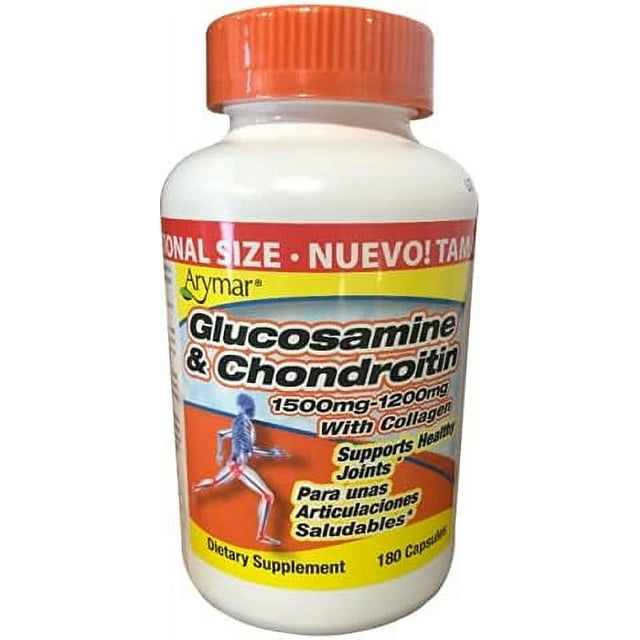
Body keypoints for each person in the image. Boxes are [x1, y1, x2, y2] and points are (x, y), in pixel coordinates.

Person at [193, 393, 289, 545]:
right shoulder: (246, 425)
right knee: (268, 496)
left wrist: (219, 453)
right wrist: (272, 453)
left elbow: (221, 434)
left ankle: (195, 488)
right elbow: (250, 450)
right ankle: (261, 535)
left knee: (214, 482)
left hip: (234, 464)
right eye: (251, 407)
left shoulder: (237, 421)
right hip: (239, 467)